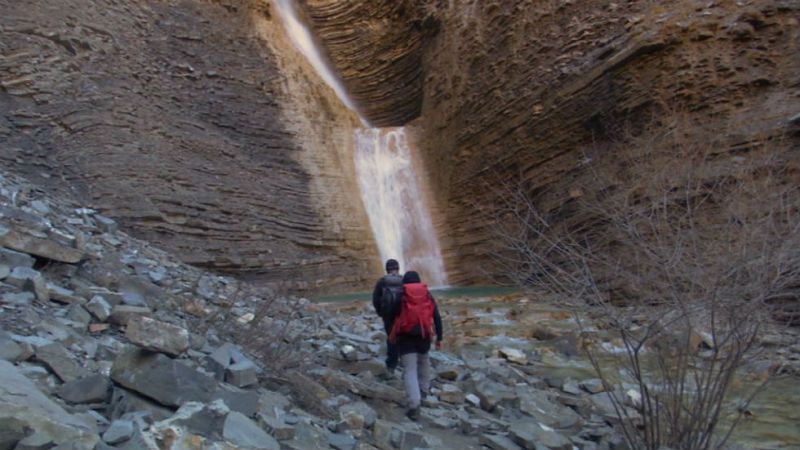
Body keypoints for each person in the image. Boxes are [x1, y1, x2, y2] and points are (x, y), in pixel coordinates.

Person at [388, 270, 443, 421]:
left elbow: (392, 314)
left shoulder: (402, 295)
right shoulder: (427, 295)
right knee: (424, 361)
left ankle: (414, 404)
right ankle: (424, 391)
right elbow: (436, 316)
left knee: (410, 370)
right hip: (424, 335)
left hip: (406, 337)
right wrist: (440, 337)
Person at [372, 258, 403, 373]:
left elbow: (375, 299)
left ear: (386, 269)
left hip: (388, 315)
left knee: (391, 336)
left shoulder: (382, 281)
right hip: (402, 315)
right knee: (403, 335)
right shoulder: (403, 280)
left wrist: (381, 312)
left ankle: (391, 364)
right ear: (398, 268)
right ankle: (406, 359)